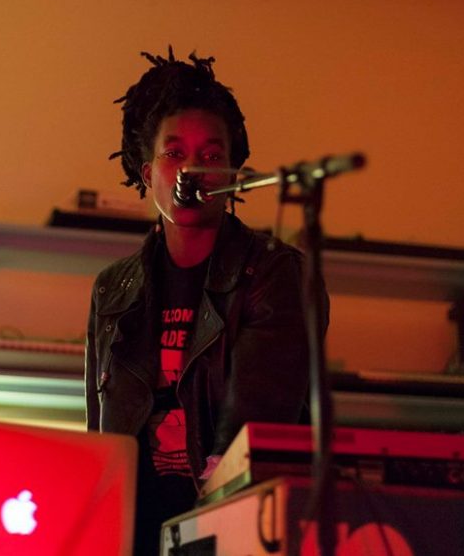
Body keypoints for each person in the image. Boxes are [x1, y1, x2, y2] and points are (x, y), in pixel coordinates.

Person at [85, 48, 329, 555]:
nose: (190, 170)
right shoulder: (113, 288)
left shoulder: (274, 272)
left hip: (233, 531)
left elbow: (258, 417)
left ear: (236, 174)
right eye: (174, 154)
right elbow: (98, 435)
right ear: (147, 171)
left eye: (210, 156)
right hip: (134, 535)